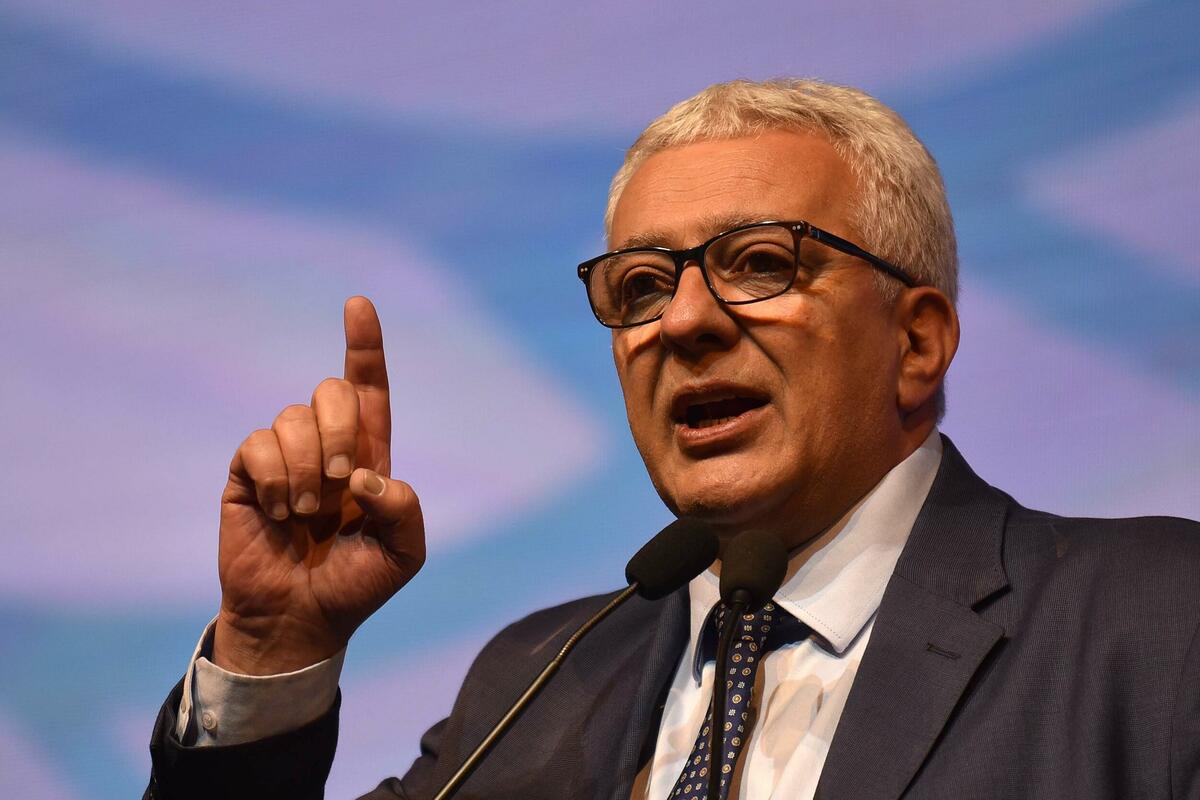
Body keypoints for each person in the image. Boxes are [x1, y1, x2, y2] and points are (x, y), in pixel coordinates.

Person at [143, 79, 1200, 799]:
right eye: (642, 285)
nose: (684, 321)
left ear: (917, 341)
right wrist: (274, 650)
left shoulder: (1155, 620)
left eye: (762, 262)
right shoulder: (534, 684)